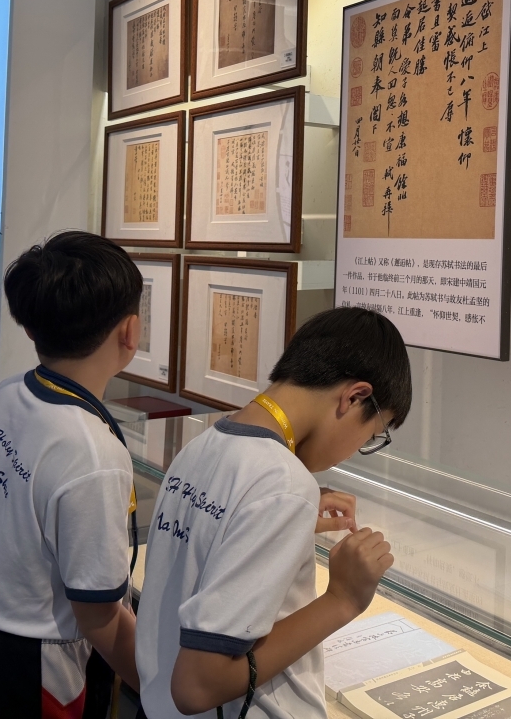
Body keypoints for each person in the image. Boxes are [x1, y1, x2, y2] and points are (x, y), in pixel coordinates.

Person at [135, 306, 412, 719]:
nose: (355, 451)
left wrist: (283, 516)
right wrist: (343, 599)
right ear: (354, 397)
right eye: (371, 435)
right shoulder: (283, 484)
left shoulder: (203, 445)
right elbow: (197, 686)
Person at [0, 231, 143, 719]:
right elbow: (99, 615)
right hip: (25, 660)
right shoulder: (94, 452)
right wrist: (164, 688)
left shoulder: (7, 393)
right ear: (130, 332)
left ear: (30, 327)